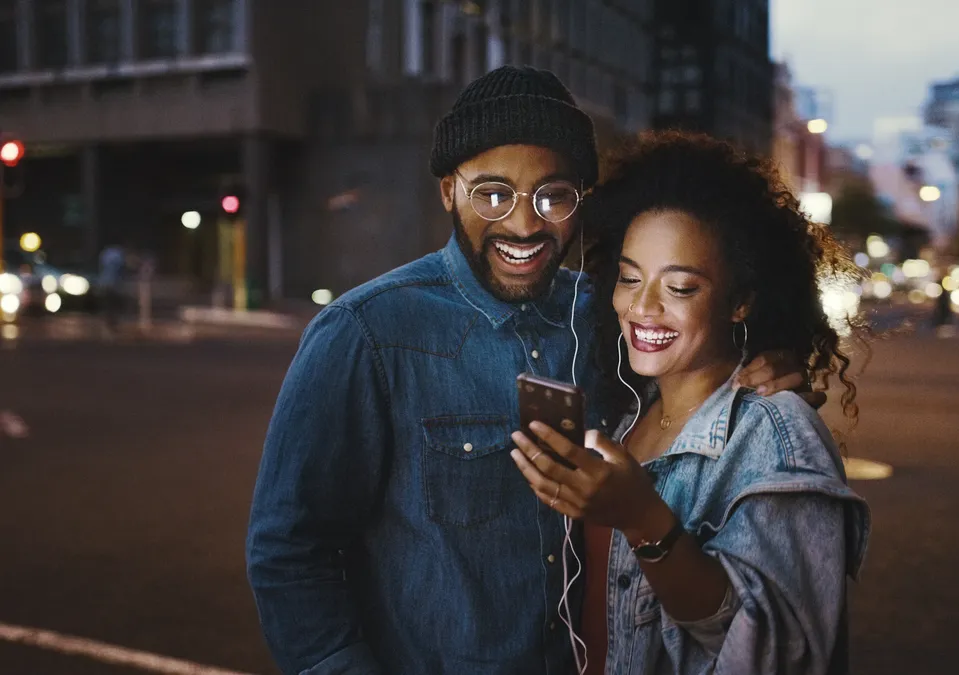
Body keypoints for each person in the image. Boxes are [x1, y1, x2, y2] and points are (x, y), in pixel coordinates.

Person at [245, 67, 814, 675]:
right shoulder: (366, 333)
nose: (523, 225)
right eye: (493, 193)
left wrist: (765, 358)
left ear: (580, 199)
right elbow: (290, 549)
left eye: (553, 196)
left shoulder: (611, 315)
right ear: (448, 190)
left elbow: (697, 387)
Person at [509, 131, 872, 674]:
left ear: (741, 301)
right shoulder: (628, 415)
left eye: (680, 288)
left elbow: (779, 653)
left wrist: (642, 516)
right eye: (630, 278)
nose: (643, 307)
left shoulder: (776, 430)